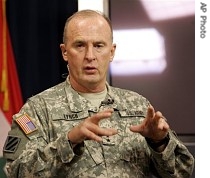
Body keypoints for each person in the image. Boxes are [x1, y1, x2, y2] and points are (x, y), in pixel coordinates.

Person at [3, 9, 194, 178]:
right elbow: (15, 172)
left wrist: (159, 142)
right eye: (79, 45)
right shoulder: (37, 109)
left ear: (112, 52)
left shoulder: (138, 106)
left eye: (99, 45)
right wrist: (69, 141)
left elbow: (183, 171)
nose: (90, 56)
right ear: (64, 52)